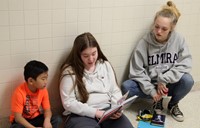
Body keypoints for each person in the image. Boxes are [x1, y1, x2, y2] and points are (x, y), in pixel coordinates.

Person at [121, 1, 194, 122]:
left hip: (168, 83)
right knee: (127, 86)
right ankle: (157, 101)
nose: (158, 31)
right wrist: (152, 91)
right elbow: (136, 71)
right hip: (150, 84)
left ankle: (173, 105)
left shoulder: (179, 39)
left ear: (172, 28)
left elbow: (185, 63)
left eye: (164, 29)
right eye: (156, 26)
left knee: (188, 80)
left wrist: (164, 79)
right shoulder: (144, 43)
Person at [59, 32, 134, 128]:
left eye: (94, 53)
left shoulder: (105, 65)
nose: (91, 59)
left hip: (107, 110)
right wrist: (96, 113)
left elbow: (114, 90)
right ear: (78, 55)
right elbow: (68, 102)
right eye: (85, 56)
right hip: (81, 114)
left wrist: (117, 109)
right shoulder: (69, 71)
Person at [10, 60, 62, 128]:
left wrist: (47, 120)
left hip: (36, 118)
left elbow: (47, 110)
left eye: (46, 78)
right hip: (22, 120)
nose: (46, 82)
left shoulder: (43, 90)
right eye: (43, 79)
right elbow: (18, 118)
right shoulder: (19, 92)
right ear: (31, 81)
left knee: (57, 119)